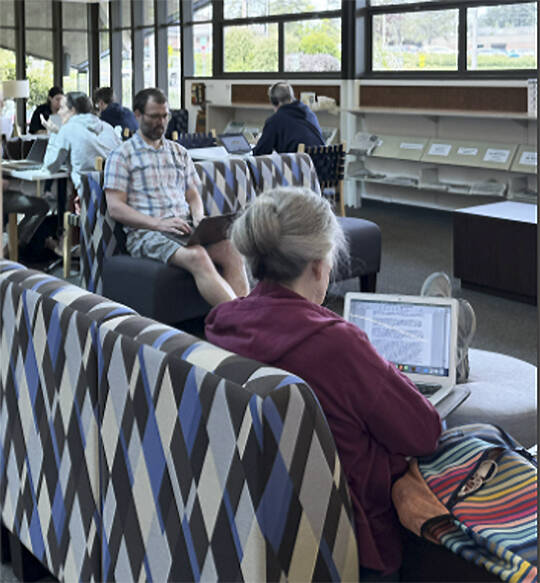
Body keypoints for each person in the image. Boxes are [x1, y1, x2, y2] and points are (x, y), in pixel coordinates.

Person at [205, 187, 442, 579]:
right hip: (351, 537)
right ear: (318, 265)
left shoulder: (223, 322)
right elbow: (424, 431)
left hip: (257, 519)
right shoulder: (337, 344)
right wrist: (386, 371)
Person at [103, 87, 249, 307]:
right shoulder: (121, 155)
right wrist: (159, 224)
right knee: (197, 255)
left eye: (165, 116)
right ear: (138, 115)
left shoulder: (179, 152)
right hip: (147, 234)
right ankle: (241, 323)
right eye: (154, 116)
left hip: (185, 228)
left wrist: (199, 218)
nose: (161, 122)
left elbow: (192, 194)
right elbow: (115, 208)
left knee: (232, 249)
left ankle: (248, 314)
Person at [43, 91, 121, 198]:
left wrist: (54, 133)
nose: (59, 113)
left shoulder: (68, 129)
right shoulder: (108, 127)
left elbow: (50, 166)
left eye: (62, 108)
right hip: (118, 193)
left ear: (72, 110)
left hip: (91, 198)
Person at [252, 82, 325, 156]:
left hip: (301, 165)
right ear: (292, 98)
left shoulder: (275, 120)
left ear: (275, 102)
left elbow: (260, 153)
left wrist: (259, 143)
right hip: (323, 163)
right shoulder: (308, 112)